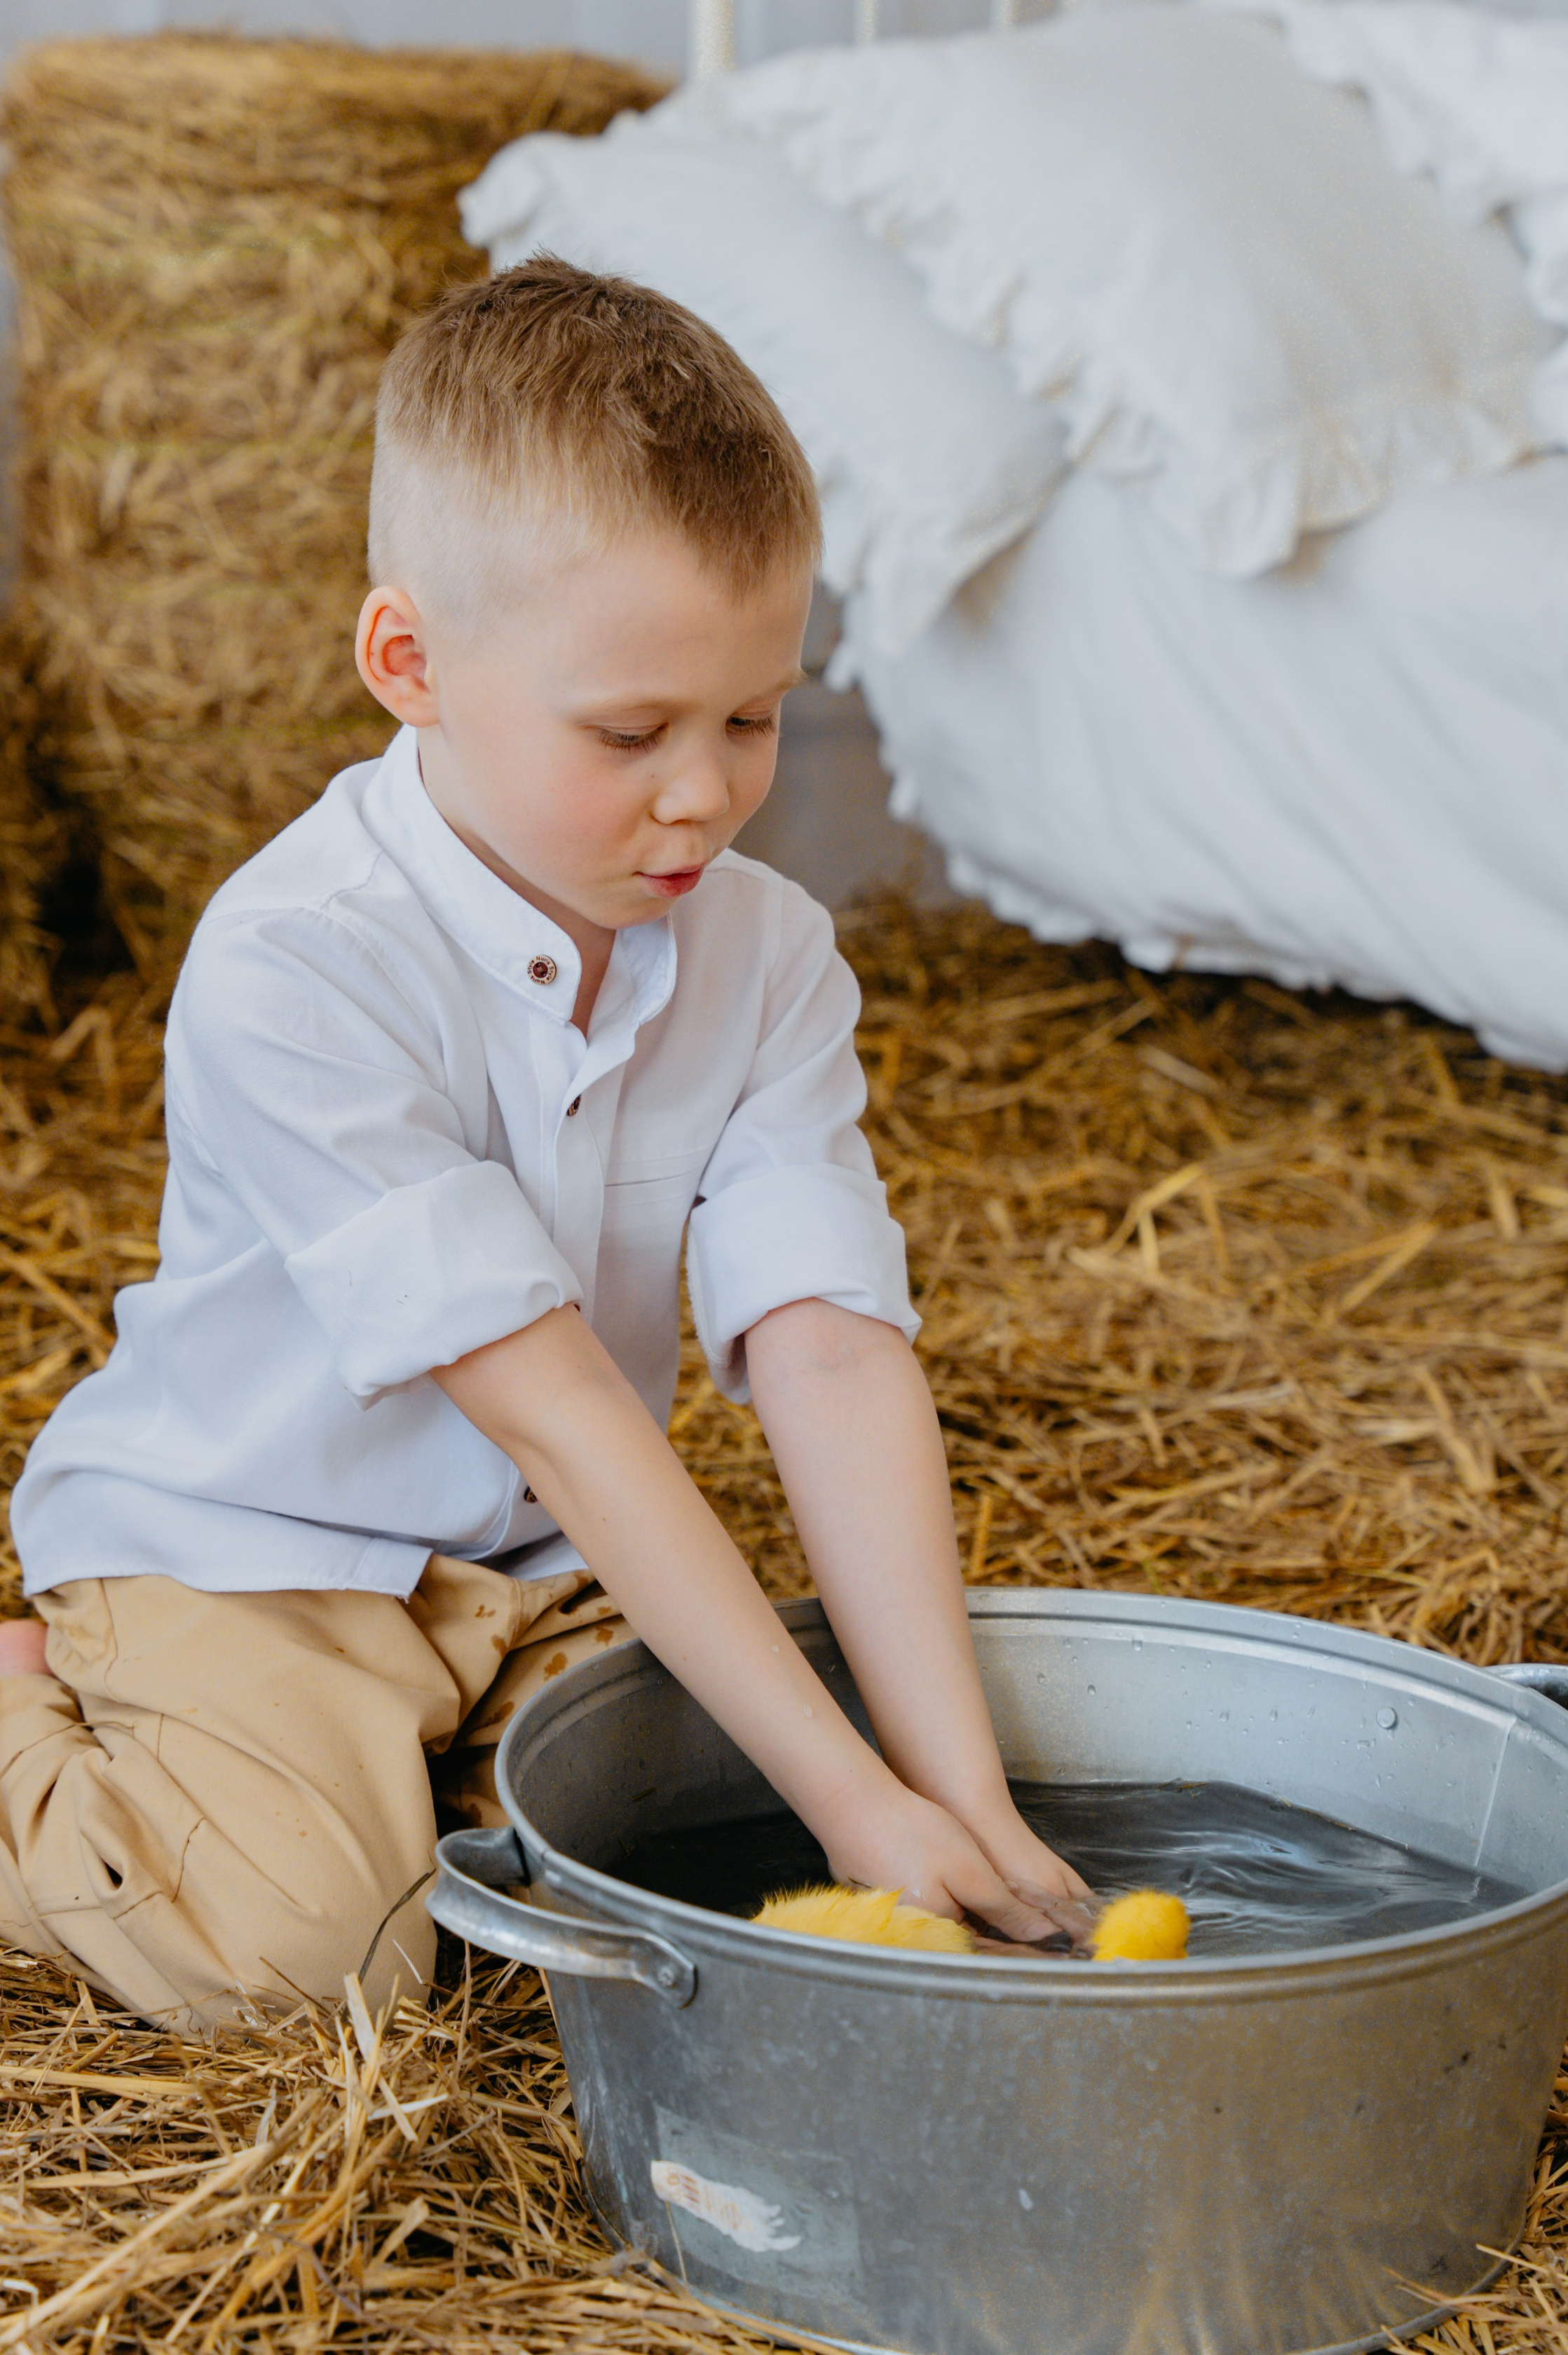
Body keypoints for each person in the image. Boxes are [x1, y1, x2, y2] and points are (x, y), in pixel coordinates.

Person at [0, 261, 1088, 2030]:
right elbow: (559, 1409)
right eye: (630, 732)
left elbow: (826, 1353)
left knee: (711, 1866)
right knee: (314, 1967)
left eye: (753, 716)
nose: (705, 794)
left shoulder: (769, 955)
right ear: (410, 664)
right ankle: (26, 1715)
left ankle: (411, 1767)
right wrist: (855, 1804)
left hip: (532, 1572)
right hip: (254, 1553)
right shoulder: (300, 965)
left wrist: (954, 1798)